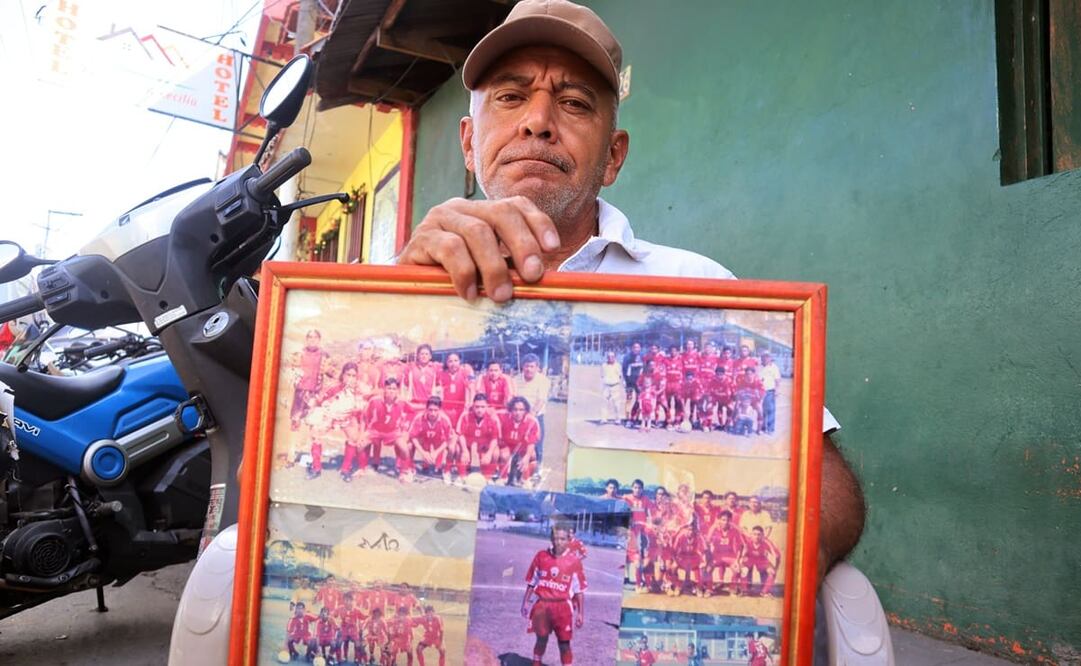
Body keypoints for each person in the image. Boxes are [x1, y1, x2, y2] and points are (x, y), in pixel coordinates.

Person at [396, 0, 862, 594]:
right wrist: (406, 302)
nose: (538, 121)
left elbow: (830, 489)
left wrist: (764, 588)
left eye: (573, 103)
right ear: (468, 140)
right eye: (511, 97)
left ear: (613, 155)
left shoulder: (699, 290)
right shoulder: (397, 286)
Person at [521, 523, 586, 666]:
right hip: (542, 606)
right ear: (551, 538)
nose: (559, 542)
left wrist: (581, 613)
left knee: (564, 644)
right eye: (556, 538)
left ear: (568, 540)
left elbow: (579, 590)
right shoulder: (541, 556)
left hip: (563, 608)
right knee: (541, 639)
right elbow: (532, 582)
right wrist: (525, 602)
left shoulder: (574, 561)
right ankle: (536, 663)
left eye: (562, 539)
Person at [362, 377, 410, 480]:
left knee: (405, 448)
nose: (391, 391)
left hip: (393, 432)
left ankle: (404, 472)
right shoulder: (375, 400)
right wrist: (364, 431)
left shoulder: (402, 401)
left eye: (393, 389)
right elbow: (364, 415)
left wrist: (405, 429)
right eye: (389, 388)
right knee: (360, 444)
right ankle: (362, 468)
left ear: (397, 391)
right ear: (384, 389)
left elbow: (411, 412)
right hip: (376, 430)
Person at [408, 396, 455, 482]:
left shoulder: (445, 419)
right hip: (424, 440)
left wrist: (436, 452)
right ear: (426, 409)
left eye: (436, 410)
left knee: (452, 447)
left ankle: (447, 471)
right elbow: (413, 436)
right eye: (430, 410)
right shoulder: (419, 417)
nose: (433, 413)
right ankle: (410, 468)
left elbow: (449, 439)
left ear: (440, 410)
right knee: (409, 445)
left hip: (438, 441)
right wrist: (423, 452)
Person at [456, 393, 501, 480]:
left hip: (484, 443)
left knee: (495, 453)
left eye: (482, 407)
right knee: (458, 449)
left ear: (487, 406)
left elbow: (495, 438)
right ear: (473, 406)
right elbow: (460, 434)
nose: (479, 410)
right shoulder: (466, 416)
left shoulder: (492, 417)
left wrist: (489, 454)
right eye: (477, 407)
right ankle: (462, 476)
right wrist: (465, 450)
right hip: (469, 441)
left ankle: (488, 477)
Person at [516, 353, 550, 465]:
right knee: (517, 443)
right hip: (518, 417)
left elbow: (541, 400)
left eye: (532, 366)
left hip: (536, 417)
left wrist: (532, 414)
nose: (529, 369)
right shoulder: (515, 379)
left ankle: (537, 468)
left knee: (536, 444)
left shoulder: (544, 380)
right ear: (522, 366)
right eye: (526, 366)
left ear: (537, 367)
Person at [498, 396, 541, 485]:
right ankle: (503, 478)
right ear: (511, 409)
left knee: (532, 455)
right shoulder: (503, 416)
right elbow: (490, 413)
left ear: (526, 410)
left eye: (521, 410)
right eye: (515, 409)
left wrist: (527, 457)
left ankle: (525, 478)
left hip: (522, 447)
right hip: (507, 446)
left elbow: (531, 442)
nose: (518, 413)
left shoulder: (532, 421)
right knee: (504, 455)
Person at [337, 591, 367, 664]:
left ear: (352, 601)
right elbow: (333, 615)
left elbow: (364, 617)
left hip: (354, 630)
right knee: (342, 642)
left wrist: (362, 626)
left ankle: (356, 658)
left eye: (349, 600)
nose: (347, 602)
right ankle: (344, 657)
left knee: (357, 644)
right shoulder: (340, 608)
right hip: (344, 629)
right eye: (345, 600)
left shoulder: (357, 610)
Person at [621, 341, 645, 425]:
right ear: (632, 348)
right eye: (634, 347)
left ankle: (636, 418)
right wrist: (624, 380)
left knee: (639, 400)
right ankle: (627, 419)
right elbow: (624, 369)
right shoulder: (627, 357)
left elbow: (645, 369)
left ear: (640, 348)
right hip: (629, 382)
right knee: (629, 399)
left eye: (638, 347)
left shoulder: (643, 357)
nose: (636, 349)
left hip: (639, 383)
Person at [758, 352, 781, 434]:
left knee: (770, 410)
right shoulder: (760, 367)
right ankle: (763, 427)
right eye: (763, 357)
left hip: (770, 391)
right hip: (760, 391)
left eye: (767, 357)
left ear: (770, 358)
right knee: (762, 410)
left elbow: (777, 380)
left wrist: (777, 390)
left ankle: (770, 429)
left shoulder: (774, 367)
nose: (765, 358)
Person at [600, 350, 623, 423]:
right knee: (604, 403)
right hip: (606, 386)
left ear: (615, 357)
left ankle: (617, 419)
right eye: (609, 357)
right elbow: (602, 375)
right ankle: (604, 418)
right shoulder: (604, 365)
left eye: (612, 356)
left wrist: (616, 383)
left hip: (615, 386)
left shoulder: (618, 365)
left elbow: (620, 376)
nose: (610, 358)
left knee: (616, 404)